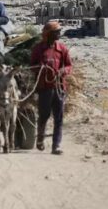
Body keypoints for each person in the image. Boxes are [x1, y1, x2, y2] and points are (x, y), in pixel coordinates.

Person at [30, 21, 73, 155]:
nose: (59, 34)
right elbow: (32, 66)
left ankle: (56, 146)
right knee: (44, 116)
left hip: (59, 88)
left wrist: (63, 71)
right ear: (48, 34)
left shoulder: (62, 49)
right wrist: (40, 68)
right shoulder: (38, 49)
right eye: (57, 32)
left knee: (59, 118)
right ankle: (40, 139)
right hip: (44, 89)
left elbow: (69, 66)